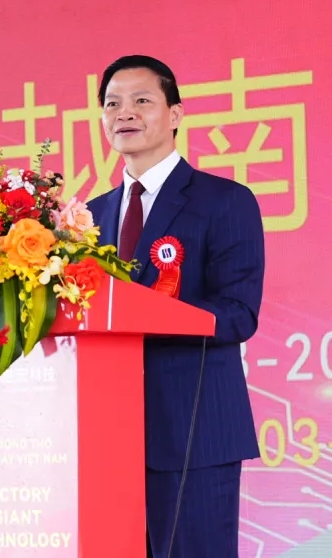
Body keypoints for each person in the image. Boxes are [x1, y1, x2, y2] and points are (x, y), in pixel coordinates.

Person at [86, 55, 265, 558]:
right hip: (105, 436)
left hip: (194, 430)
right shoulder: (88, 218)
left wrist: (146, 315)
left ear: (176, 115)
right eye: (112, 104)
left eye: (141, 101)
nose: (125, 113)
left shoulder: (224, 200)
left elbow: (238, 312)